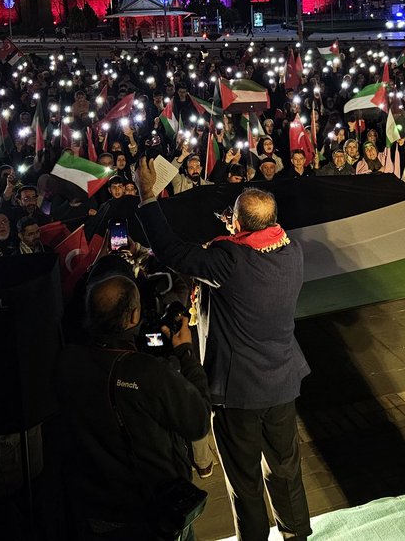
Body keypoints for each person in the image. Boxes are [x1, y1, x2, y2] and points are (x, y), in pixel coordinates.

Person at [133, 165, 312, 541]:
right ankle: (296, 533)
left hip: (238, 392)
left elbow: (170, 250)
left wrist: (148, 194)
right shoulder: (292, 251)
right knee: (285, 468)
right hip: (282, 383)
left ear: (237, 223)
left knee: (245, 479)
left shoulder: (228, 260)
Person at [57, 273, 211, 539]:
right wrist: (185, 353)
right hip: (152, 515)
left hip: (95, 512)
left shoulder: (67, 361)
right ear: (133, 316)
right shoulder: (147, 372)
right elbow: (197, 421)